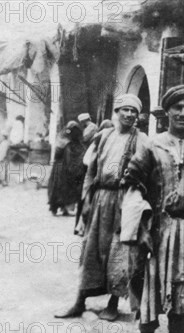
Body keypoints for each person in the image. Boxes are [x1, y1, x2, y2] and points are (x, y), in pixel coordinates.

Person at [55, 94, 148, 321]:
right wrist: (86, 200)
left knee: (118, 251)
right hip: (100, 198)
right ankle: (79, 301)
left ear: (137, 116)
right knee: (90, 250)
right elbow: (90, 170)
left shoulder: (141, 139)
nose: (128, 115)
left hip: (124, 200)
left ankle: (113, 303)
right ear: (116, 112)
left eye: (133, 111)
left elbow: (147, 172)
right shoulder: (104, 136)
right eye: (124, 110)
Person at [121, 84, 184, 333]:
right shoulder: (152, 145)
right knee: (150, 291)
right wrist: (142, 225)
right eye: (178, 107)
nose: (182, 113)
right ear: (167, 111)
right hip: (158, 230)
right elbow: (133, 185)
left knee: (182, 295)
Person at [47, 121, 86, 216]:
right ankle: (56, 208)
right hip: (62, 168)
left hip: (59, 168)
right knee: (61, 188)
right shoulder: (67, 143)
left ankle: (62, 209)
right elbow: (68, 156)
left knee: (62, 188)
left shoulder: (62, 138)